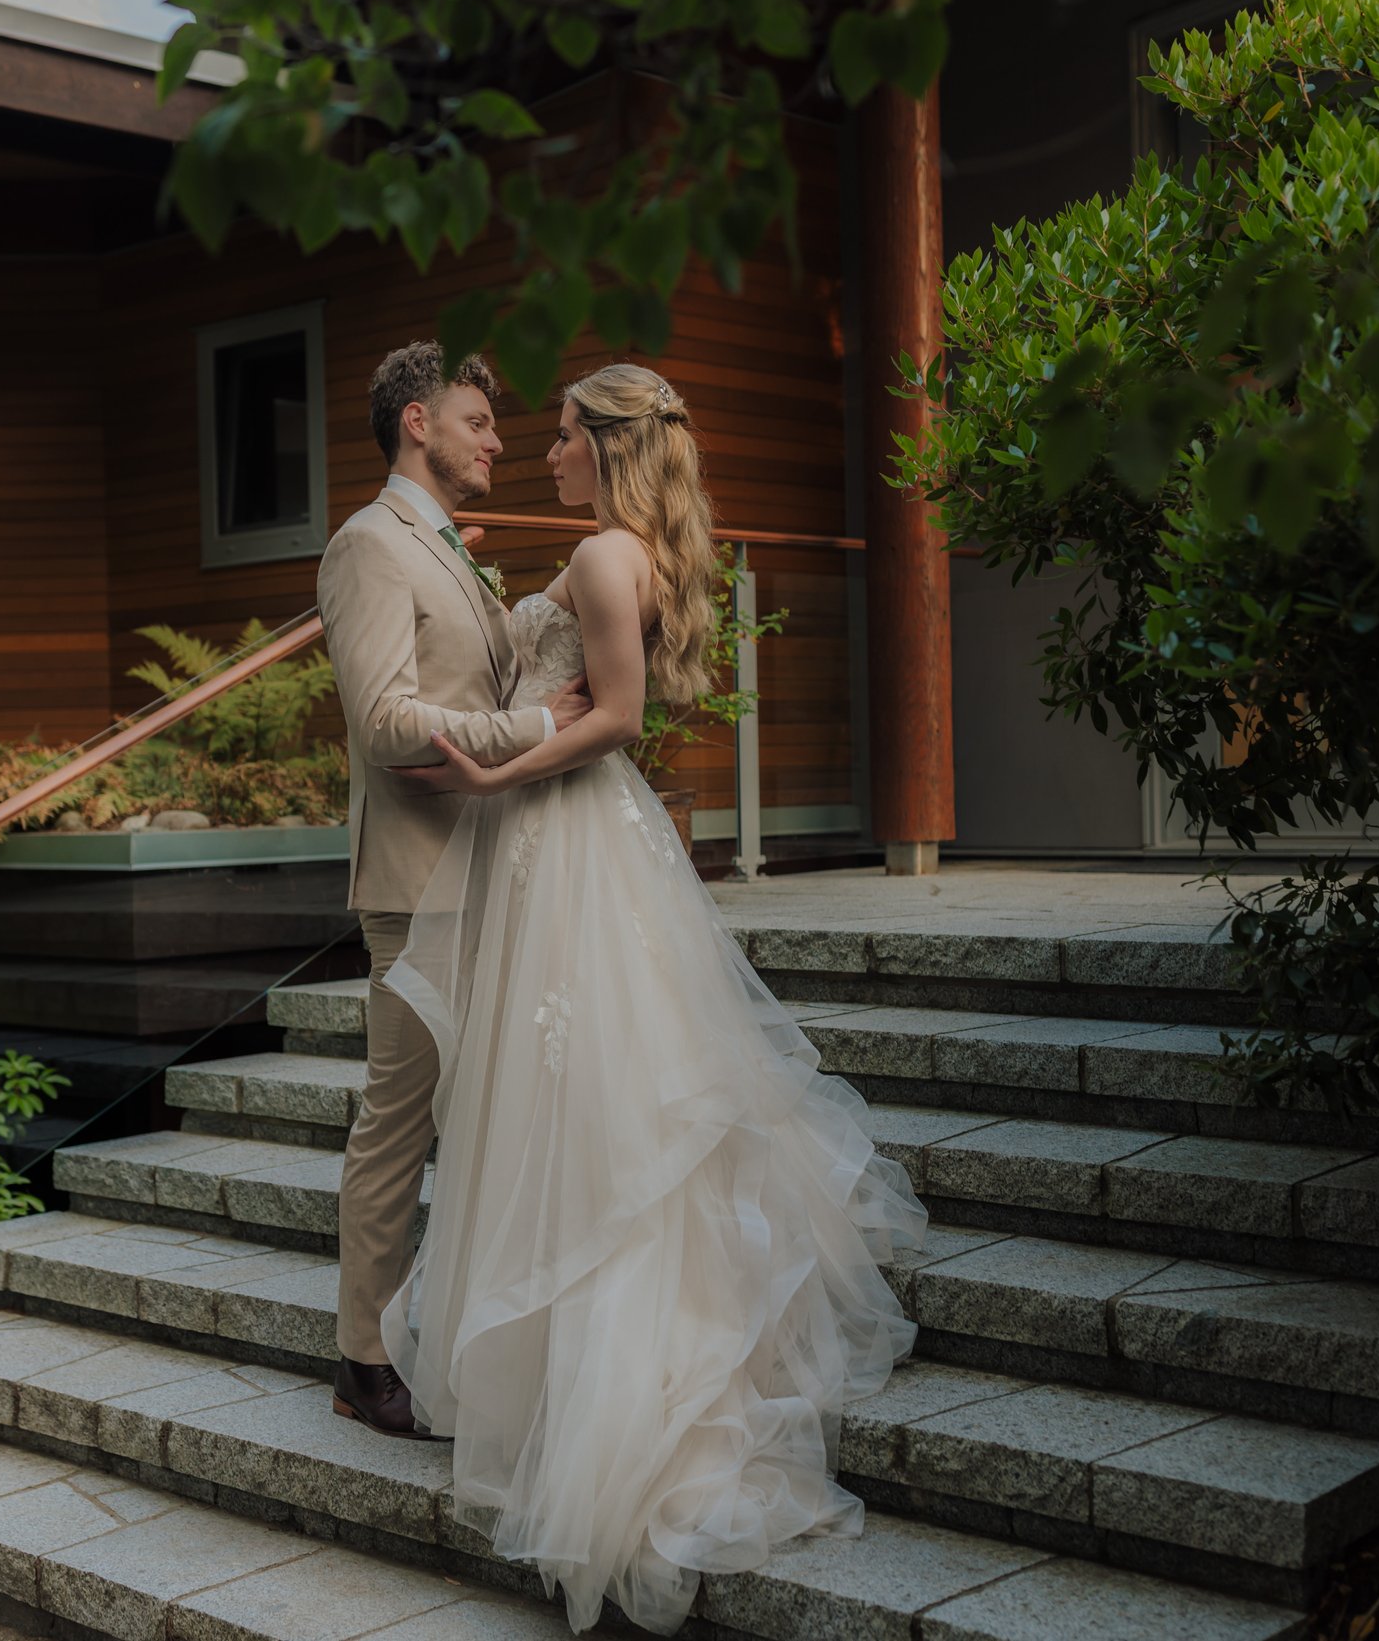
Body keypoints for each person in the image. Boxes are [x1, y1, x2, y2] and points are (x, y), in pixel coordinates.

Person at [376, 361, 930, 1635]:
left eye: (562, 432)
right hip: (555, 841)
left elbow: (616, 716)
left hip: (565, 833)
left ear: (607, 444)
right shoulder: (614, 551)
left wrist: (488, 771)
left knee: (600, 1106)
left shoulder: (604, 552)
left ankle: (621, 1408)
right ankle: (564, 1375)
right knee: (554, 1098)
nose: (544, 448)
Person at [313, 341, 593, 1439]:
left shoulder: (441, 547)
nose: (498, 440)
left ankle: (469, 1330)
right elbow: (385, 723)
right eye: (478, 420)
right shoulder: (366, 547)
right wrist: (537, 725)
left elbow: (464, 669)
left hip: (496, 869)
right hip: (420, 880)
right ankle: (362, 1355)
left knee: (488, 1116)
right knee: (401, 1119)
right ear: (417, 422)